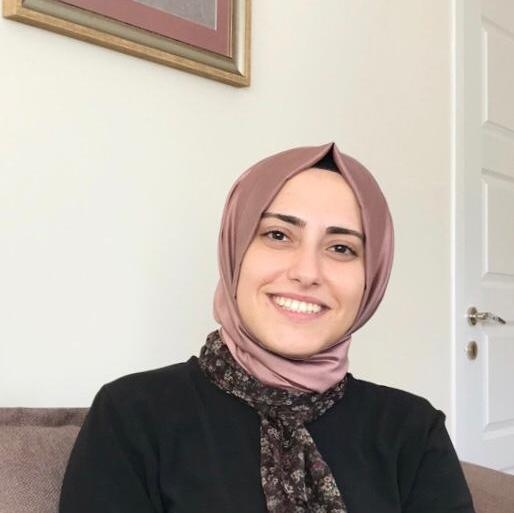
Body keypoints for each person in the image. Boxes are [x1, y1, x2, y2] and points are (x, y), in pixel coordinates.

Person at [59, 142, 475, 513]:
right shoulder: (134, 414)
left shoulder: (411, 430)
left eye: (341, 248)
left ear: (373, 276)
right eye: (278, 235)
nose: (307, 272)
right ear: (235, 249)